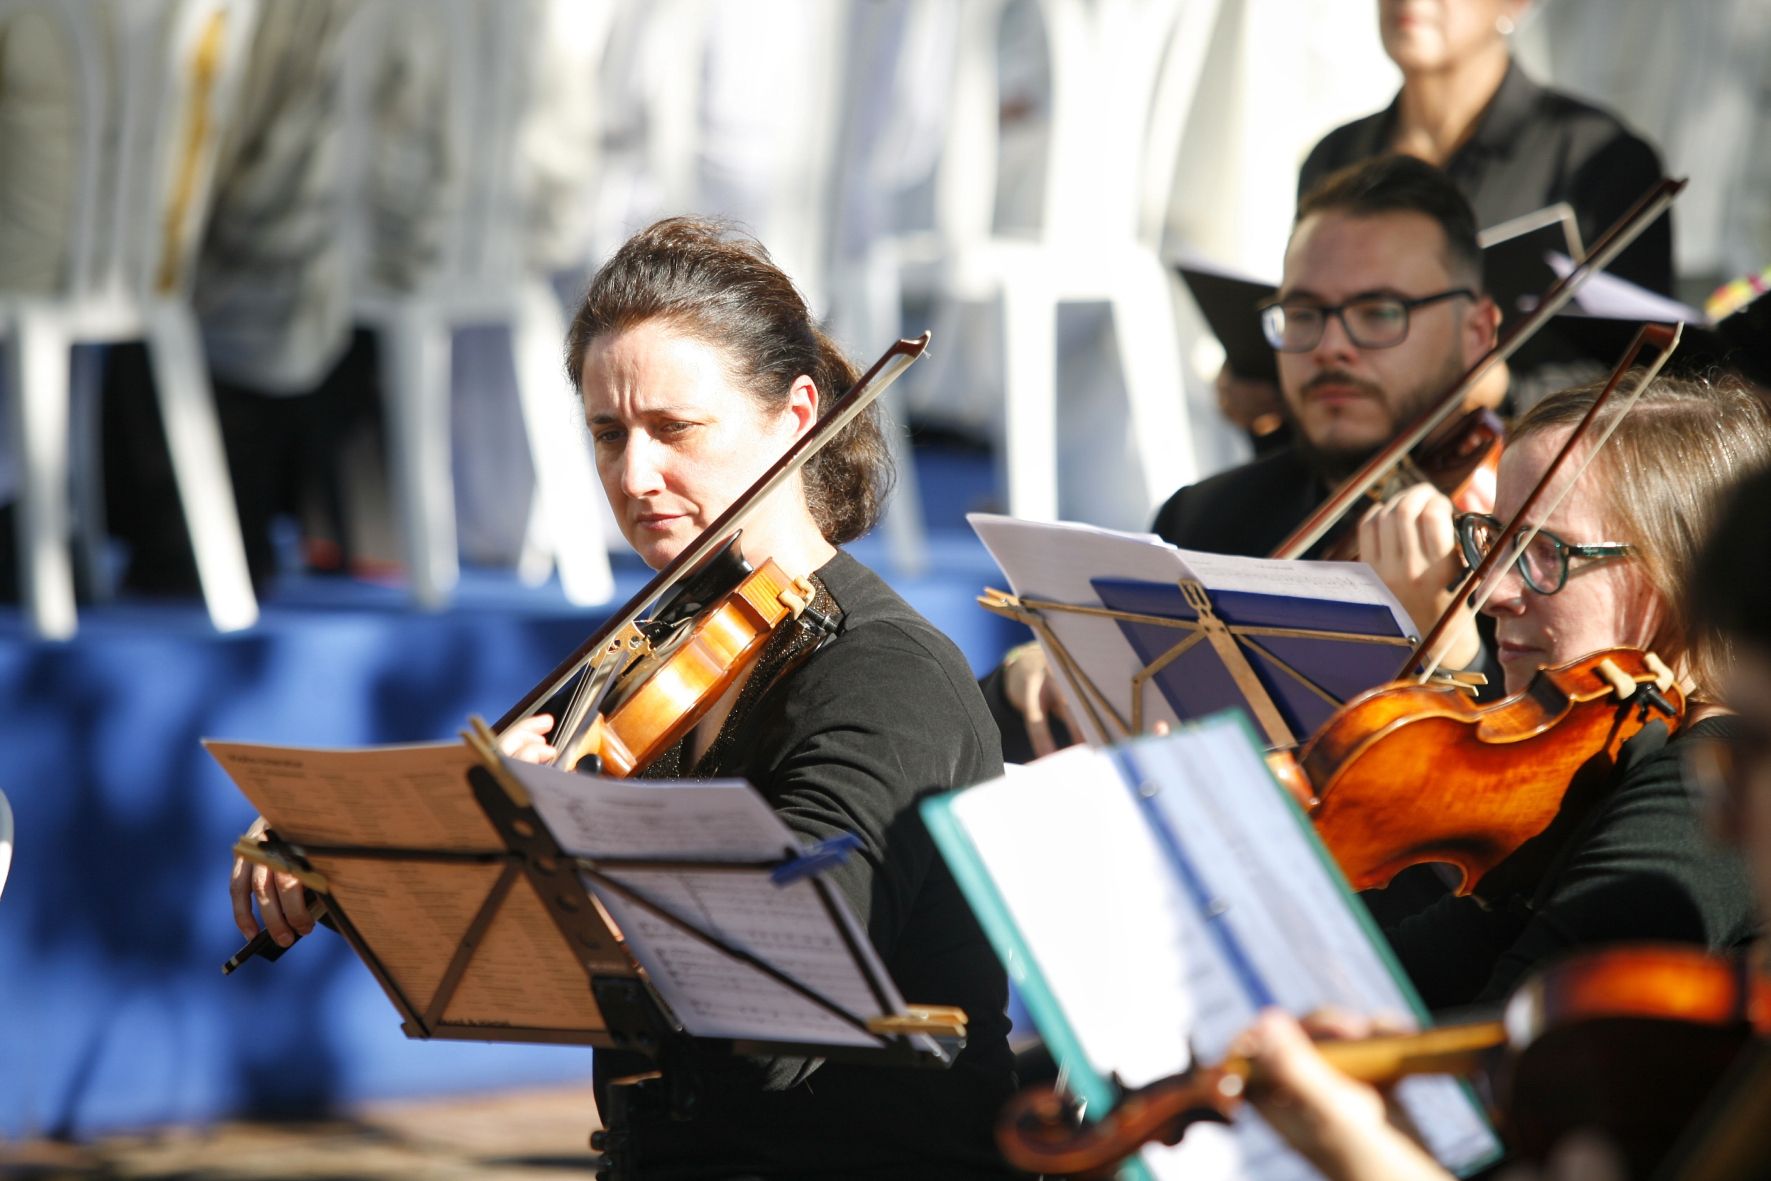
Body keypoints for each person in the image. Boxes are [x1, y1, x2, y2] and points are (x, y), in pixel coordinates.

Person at [232, 217, 1017, 1179]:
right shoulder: (658, 634)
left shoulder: (885, 676)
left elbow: (782, 1009)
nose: (633, 476)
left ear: (796, 414)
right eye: (608, 433)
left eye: (674, 429)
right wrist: (351, 842)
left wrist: (559, 850)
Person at [1226, 409, 1771, 1181]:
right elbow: (1412, 970)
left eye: (1544, 553)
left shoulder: (1699, 788)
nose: (1491, 590)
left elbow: (1498, 1081)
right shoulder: (1592, 767)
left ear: (1673, 569)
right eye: (1493, 541)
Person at [989, 154, 1503, 760]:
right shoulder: (1207, 518)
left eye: (1379, 313)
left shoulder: (1529, 523)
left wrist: (1460, 659)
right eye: (1306, 314)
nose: (1332, 347)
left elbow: (1567, 800)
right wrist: (1044, 666)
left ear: (1478, 331)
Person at [1300, 0, 1673, 298]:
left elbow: (1636, 359)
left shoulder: (1601, 159)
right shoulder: (1336, 155)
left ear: (1517, 3)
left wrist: (1504, 388)